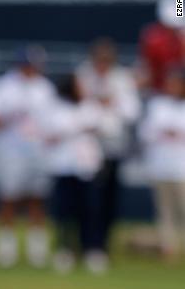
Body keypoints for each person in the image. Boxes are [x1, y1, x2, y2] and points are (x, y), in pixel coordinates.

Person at [76, 38, 140, 268]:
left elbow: (132, 112)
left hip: (113, 149)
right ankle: (85, 245)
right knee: (87, 199)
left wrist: (110, 103)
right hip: (86, 150)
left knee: (108, 200)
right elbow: (75, 107)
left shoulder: (122, 79)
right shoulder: (83, 75)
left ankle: (102, 245)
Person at [0, 45, 56, 268]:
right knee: (9, 199)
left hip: (38, 150)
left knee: (37, 199)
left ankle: (36, 251)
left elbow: (50, 121)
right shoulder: (5, 86)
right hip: (11, 151)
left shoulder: (45, 88)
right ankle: (6, 251)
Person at [42, 75, 105, 274]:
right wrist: (77, 128)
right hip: (64, 168)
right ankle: (64, 250)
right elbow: (53, 133)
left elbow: (101, 126)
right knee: (64, 212)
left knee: (90, 210)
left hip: (87, 169)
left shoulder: (90, 107)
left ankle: (92, 249)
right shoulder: (57, 109)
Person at [139, 68, 185, 262]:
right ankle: (168, 248)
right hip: (160, 166)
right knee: (164, 211)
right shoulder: (157, 105)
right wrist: (163, 132)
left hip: (182, 168)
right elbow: (145, 132)